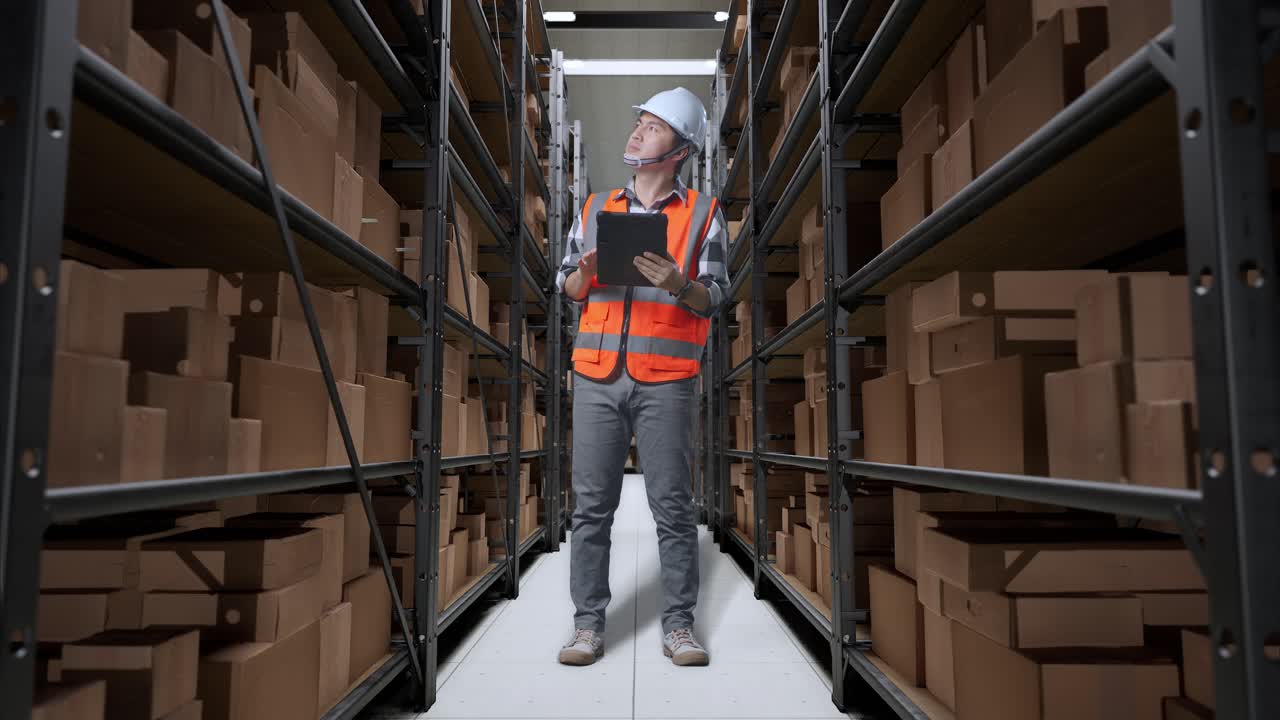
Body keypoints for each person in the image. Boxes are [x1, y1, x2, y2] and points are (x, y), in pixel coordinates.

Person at [554, 88, 729, 668]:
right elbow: (566, 286)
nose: (637, 133)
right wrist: (584, 275)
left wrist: (679, 284)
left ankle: (679, 626)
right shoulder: (595, 207)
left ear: (679, 150)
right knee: (590, 509)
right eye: (640, 123)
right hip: (597, 375)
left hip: (667, 380)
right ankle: (587, 626)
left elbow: (715, 296)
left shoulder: (703, 213)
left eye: (654, 127)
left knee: (673, 509)